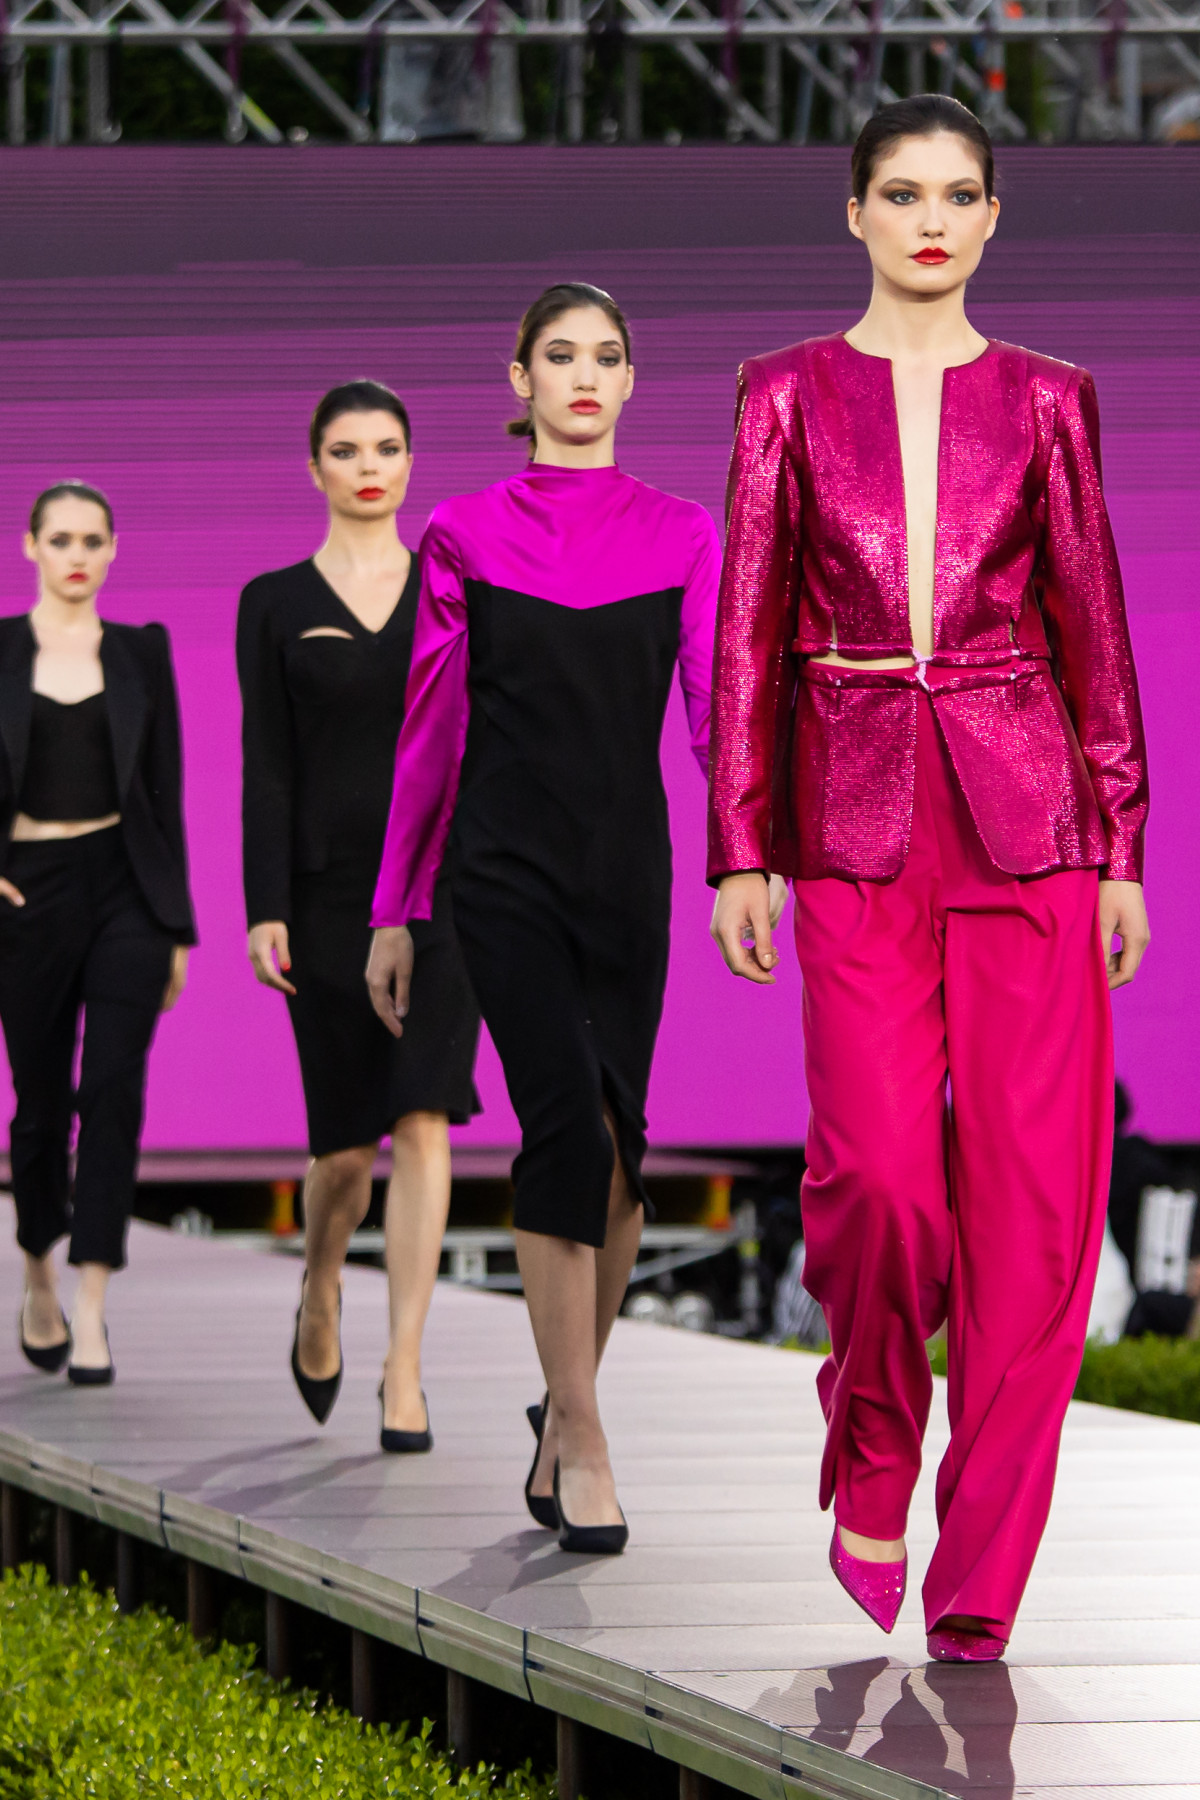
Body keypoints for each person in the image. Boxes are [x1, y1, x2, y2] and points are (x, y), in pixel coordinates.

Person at [708, 97, 1149, 1661]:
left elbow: (1096, 626)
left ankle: (981, 1570)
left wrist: (1121, 844)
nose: (932, 221)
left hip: (1031, 824)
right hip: (851, 826)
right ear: (854, 213)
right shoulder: (781, 393)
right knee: (881, 1182)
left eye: (959, 194)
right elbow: (746, 630)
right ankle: (874, 1441)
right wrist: (741, 842)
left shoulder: (1049, 398)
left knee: (1034, 1214)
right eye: (902, 193)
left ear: (993, 216)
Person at [366, 283, 735, 1549]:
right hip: (502, 872)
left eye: (607, 356)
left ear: (631, 381)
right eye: (560, 356)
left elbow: (713, 711)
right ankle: (580, 1432)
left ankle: (563, 1411)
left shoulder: (683, 532)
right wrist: (398, 907)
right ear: (518, 379)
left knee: (623, 1154)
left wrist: (745, 858)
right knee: (565, 1130)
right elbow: (431, 727)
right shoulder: (463, 532)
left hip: (628, 873)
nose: (585, 375)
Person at [238, 380, 480, 1451]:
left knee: (425, 1117)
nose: (369, 467)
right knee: (343, 1151)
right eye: (346, 450)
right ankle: (322, 1284)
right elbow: (268, 766)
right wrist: (264, 908)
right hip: (327, 894)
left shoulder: (454, 589)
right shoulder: (273, 601)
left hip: (443, 889)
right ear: (315, 467)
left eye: (386, 448)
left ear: (411, 462)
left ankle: (405, 1369)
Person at [0, 482, 194, 1385]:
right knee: (39, 1102)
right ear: (30, 547)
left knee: (112, 1091)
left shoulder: (142, 651)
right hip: (25, 892)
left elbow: (166, 790)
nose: (76, 555)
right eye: (61, 539)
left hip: (126, 890)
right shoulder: (1, 650)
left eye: (92, 540)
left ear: (114, 549)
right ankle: (38, 1265)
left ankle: (91, 1302)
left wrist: (177, 926)